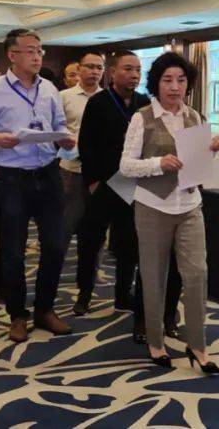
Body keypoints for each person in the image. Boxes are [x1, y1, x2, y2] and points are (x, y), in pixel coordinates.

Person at [120, 51, 219, 374]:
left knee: (197, 274)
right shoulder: (142, 118)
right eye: (167, 80)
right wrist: (158, 163)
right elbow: (125, 166)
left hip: (190, 205)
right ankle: (156, 342)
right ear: (157, 84)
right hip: (153, 205)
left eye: (181, 80)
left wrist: (212, 150)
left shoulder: (195, 117)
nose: (175, 87)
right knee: (154, 277)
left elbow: (197, 164)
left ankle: (198, 345)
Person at [0, 28, 76, 342]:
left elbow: (59, 126)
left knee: (55, 246)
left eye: (40, 50)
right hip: (12, 178)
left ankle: (45, 309)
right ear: (12, 55)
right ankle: (17, 315)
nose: (37, 56)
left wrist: (65, 139)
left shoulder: (50, 89)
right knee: (13, 252)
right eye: (30, 50)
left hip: (48, 174)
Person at [78, 50, 183, 343]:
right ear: (113, 73)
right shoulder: (98, 102)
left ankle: (123, 293)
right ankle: (85, 292)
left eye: (138, 70)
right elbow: (86, 144)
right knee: (91, 238)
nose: (134, 75)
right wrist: (93, 181)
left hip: (135, 182)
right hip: (104, 182)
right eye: (128, 69)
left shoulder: (144, 104)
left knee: (129, 241)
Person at [59, 50, 104, 310]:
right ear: (79, 69)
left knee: (94, 232)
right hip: (71, 171)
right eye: (89, 66)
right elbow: (55, 130)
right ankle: (52, 276)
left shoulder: (108, 99)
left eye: (99, 67)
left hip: (99, 175)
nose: (94, 72)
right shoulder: (64, 97)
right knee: (64, 227)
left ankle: (88, 285)